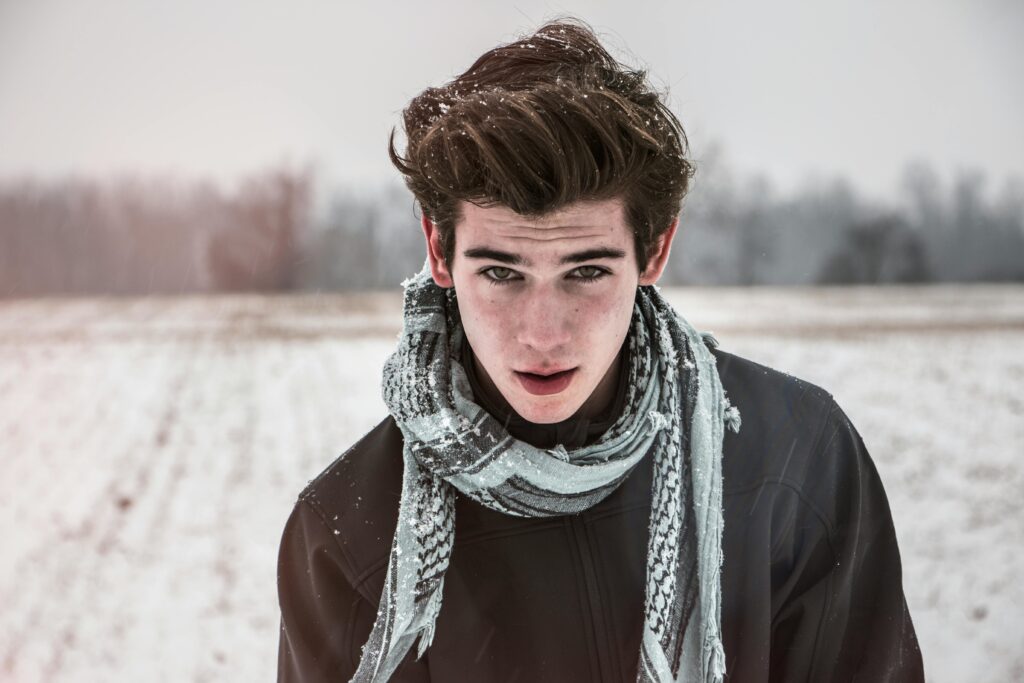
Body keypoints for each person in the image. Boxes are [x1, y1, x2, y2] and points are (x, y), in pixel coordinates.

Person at [276, 16, 924, 683]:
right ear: (440, 250)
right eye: (501, 272)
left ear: (656, 249)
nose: (543, 333)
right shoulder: (348, 531)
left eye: (586, 272)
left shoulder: (796, 460)